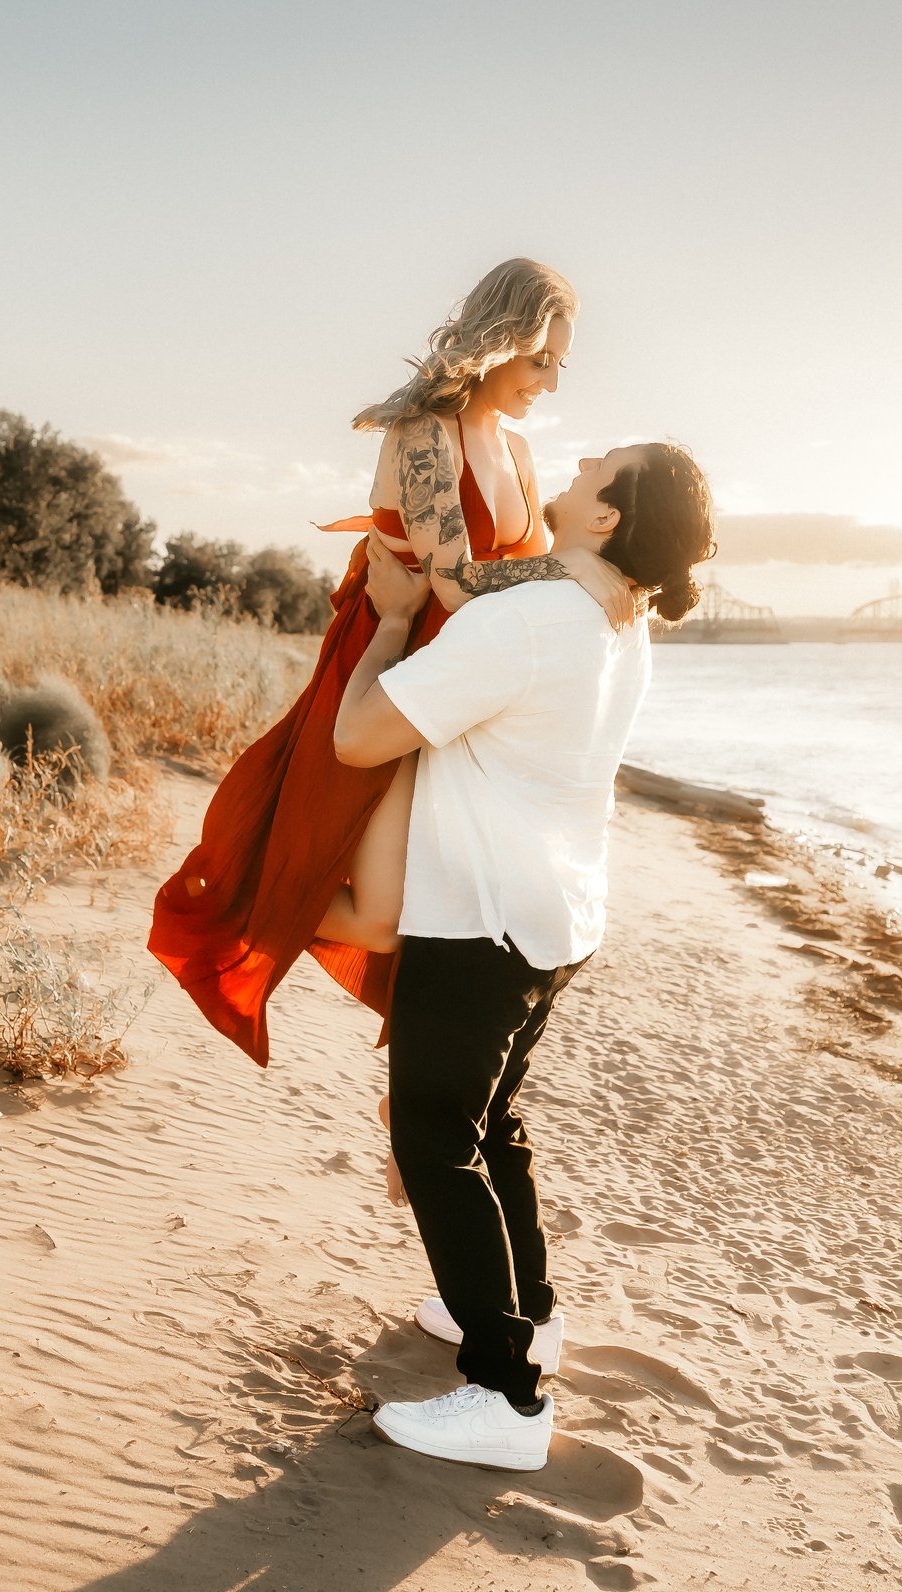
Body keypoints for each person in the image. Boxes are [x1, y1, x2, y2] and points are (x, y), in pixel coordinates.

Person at [332, 441, 718, 1471]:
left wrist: (396, 621)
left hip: (487, 917)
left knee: (433, 1131)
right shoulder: (614, 620)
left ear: (603, 517)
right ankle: (528, 1315)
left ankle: (506, 1393)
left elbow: (360, 736)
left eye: (603, 464)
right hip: (557, 917)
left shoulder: (533, 619)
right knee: (489, 1119)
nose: (581, 455)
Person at [147, 260, 630, 1070]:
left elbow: (523, 585)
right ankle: (243, 894)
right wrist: (579, 571)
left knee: (451, 904)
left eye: (559, 366)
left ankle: (419, 1092)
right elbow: (456, 579)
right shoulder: (422, 433)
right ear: (500, 338)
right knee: (380, 916)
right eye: (539, 358)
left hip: (466, 686)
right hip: (391, 669)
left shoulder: (516, 449)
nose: (548, 382)